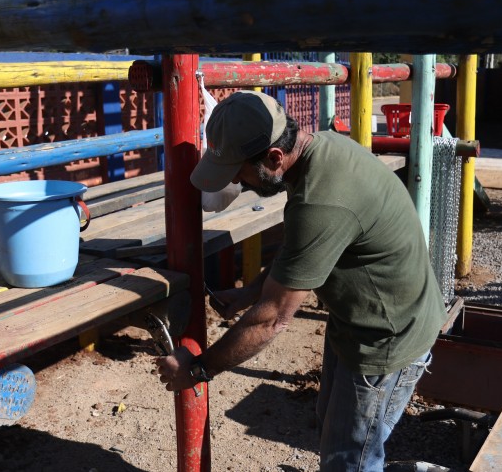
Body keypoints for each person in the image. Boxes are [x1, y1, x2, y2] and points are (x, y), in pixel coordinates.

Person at [155, 90, 446, 471]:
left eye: (239, 172)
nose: (238, 184)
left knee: (349, 460)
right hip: (364, 318)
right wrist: (247, 293)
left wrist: (196, 369)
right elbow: (300, 253)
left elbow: (272, 319)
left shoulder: (321, 201)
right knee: (334, 434)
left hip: (387, 337)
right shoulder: (320, 150)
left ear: (274, 157)